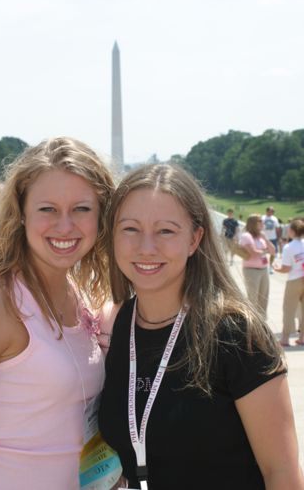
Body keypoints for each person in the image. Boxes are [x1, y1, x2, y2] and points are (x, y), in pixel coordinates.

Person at [99, 164, 303, 490]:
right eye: (130, 229)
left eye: (166, 231)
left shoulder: (236, 334)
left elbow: (282, 473)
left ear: (195, 239)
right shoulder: (116, 326)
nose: (146, 247)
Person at [0, 137, 114, 490]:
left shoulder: (79, 296)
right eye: (47, 209)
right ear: (21, 214)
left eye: (81, 209)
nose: (65, 226)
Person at [274, 219, 304, 347]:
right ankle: (302, 337)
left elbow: (286, 268)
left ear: (291, 231)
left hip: (294, 280)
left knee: (289, 310)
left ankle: (285, 339)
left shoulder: (288, 247)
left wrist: (276, 268)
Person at [239, 214, 275, 319]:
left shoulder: (261, 236)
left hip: (263, 269)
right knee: (253, 297)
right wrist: (265, 251)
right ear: (253, 223)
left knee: (264, 297)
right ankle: (252, 321)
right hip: (251, 270)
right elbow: (254, 252)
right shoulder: (247, 236)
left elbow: (273, 251)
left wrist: (265, 239)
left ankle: (262, 320)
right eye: (260, 221)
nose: (262, 223)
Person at [262, 206, 280, 274]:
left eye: (272, 211)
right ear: (266, 211)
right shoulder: (262, 218)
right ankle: (264, 265)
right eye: (270, 211)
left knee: (273, 252)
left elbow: (277, 228)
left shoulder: (275, 218)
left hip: (273, 237)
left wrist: (278, 237)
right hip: (264, 238)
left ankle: (270, 266)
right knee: (263, 252)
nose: (271, 212)